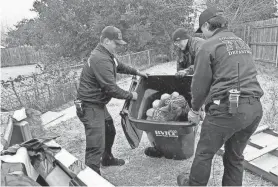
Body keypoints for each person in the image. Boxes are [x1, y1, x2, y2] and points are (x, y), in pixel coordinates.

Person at [177, 7, 264, 186]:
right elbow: (236, 75)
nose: (203, 35)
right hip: (253, 109)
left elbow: (200, 85)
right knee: (235, 156)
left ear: (208, 25)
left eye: (203, 30)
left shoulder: (208, 46)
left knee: (204, 152)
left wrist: (194, 109)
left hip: (230, 108)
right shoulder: (241, 42)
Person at [75, 26, 148, 175]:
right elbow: (110, 88)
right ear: (106, 40)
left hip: (98, 103)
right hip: (89, 105)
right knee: (95, 144)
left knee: (110, 131)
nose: (117, 47)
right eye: (116, 43)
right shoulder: (100, 59)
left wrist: (136, 72)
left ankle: (107, 159)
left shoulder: (107, 54)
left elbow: (120, 66)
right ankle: (92, 179)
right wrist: (130, 95)